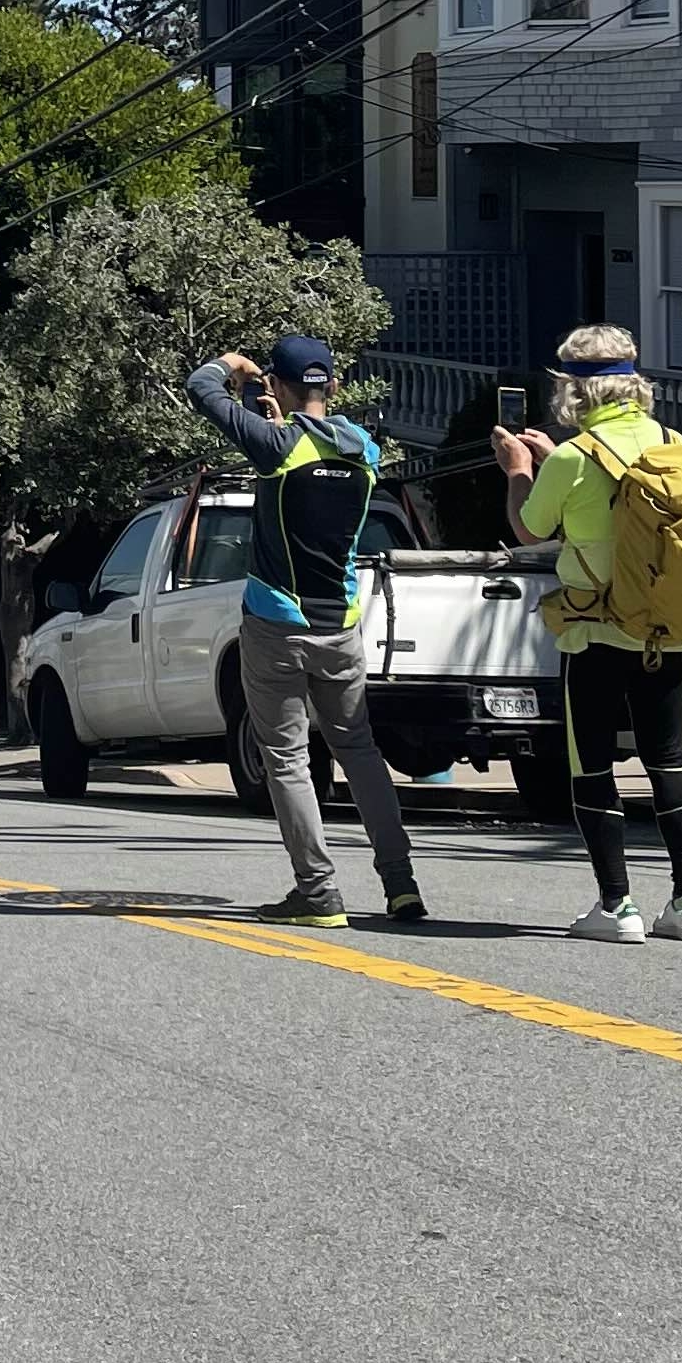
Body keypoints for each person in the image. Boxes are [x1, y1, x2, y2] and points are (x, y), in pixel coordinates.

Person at [185, 332, 426, 929]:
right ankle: (401, 886)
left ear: (278, 385)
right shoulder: (364, 450)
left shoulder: (275, 445)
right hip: (340, 625)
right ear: (333, 386)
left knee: (288, 758)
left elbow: (201, 386)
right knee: (360, 750)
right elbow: (311, 447)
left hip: (276, 623)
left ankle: (318, 893)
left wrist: (236, 368)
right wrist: (277, 413)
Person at [496, 324, 682, 944]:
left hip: (593, 633)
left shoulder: (569, 458)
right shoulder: (673, 444)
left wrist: (519, 470)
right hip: (668, 632)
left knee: (591, 765)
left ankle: (617, 908)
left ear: (574, 391)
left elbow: (530, 532)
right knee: (669, 760)